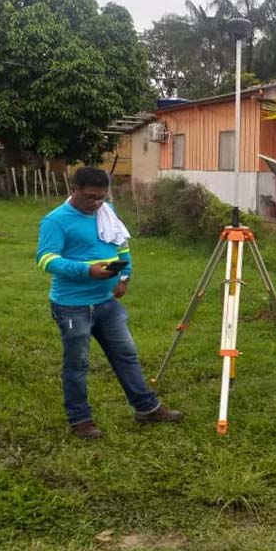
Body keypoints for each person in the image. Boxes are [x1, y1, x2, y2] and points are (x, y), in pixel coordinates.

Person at [36, 167, 182, 439]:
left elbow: (122, 245)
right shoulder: (55, 221)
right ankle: (80, 420)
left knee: (126, 355)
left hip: (106, 303)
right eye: (90, 197)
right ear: (74, 190)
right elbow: (46, 259)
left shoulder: (107, 212)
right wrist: (87, 271)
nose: (96, 203)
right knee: (77, 363)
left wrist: (124, 277)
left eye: (101, 197)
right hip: (72, 305)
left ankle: (147, 408)